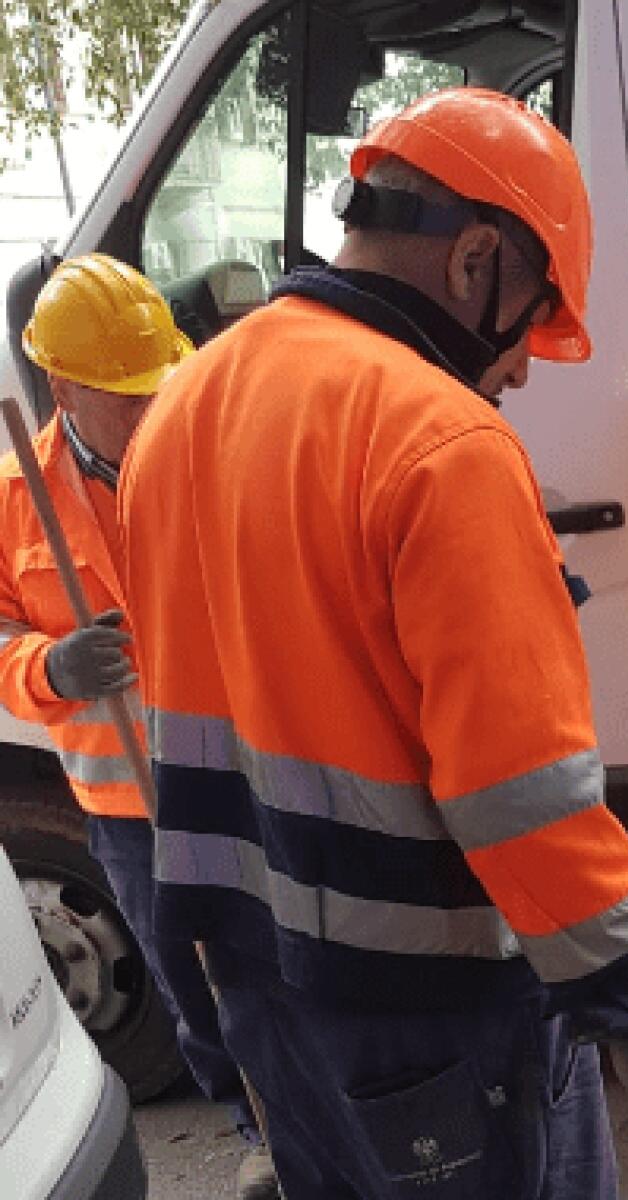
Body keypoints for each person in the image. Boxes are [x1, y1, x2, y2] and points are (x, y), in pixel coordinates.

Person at [117, 86, 628, 1200]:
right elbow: (518, 791)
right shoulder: (442, 441)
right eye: (534, 320)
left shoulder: (181, 409)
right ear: (477, 258)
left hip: (260, 985)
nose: (525, 365)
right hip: (432, 1013)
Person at [1, 253, 277, 1200]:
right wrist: (49, 664)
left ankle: (317, 1115)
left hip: (248, 769)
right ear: (61, 386)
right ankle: (260, 1132)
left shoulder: (216, 450)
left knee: (282, 960)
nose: (150, 408)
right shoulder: (13, 502)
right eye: (125, 395)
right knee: (190, 982)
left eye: (159, 383)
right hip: (124, 801)